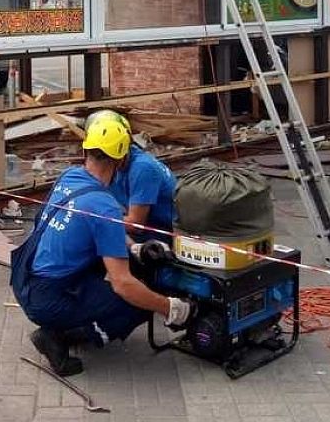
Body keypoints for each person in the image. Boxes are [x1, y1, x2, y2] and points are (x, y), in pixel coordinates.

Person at [11, 114, 193, 376]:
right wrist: (171, 308)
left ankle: (61, 323)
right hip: (47, 298)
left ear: (86, 148)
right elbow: (123, 284)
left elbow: (94, 227)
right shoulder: (103, 205)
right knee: (138, 301)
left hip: (24, 278)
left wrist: (134, 248)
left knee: (115, 272)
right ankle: (59, 338)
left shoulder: (69, 176)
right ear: (120, 159)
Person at [89, 110, 177, 243]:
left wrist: (94, 218)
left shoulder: (143, 169)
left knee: (100, 237)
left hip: (161, 232)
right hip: (142, 223)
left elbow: (136, 225)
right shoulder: (117, 162)